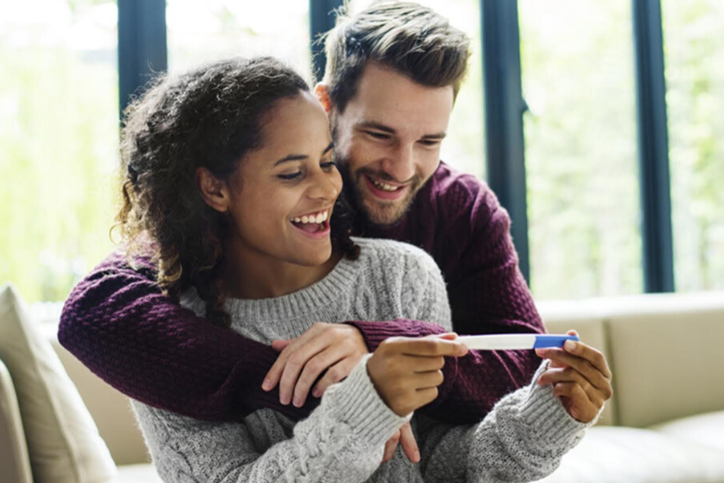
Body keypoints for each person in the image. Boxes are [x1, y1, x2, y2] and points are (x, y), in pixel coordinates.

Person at [60, 1, 546, 456]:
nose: (402, 167)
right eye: (379, 134)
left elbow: (526, 363)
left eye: (429, 141)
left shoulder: (462, 209)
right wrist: (309, 383)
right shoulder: (258, 203)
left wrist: (375, 345)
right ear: (326, 104)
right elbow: (95, 311)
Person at [119, 55, 611, 482]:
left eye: (327, 162)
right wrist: (365, 405)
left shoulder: (404, 276)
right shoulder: (164, 340)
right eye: (292, 173)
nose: (326, 189)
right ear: (214, 189)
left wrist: (547, 416)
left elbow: (433, 462)